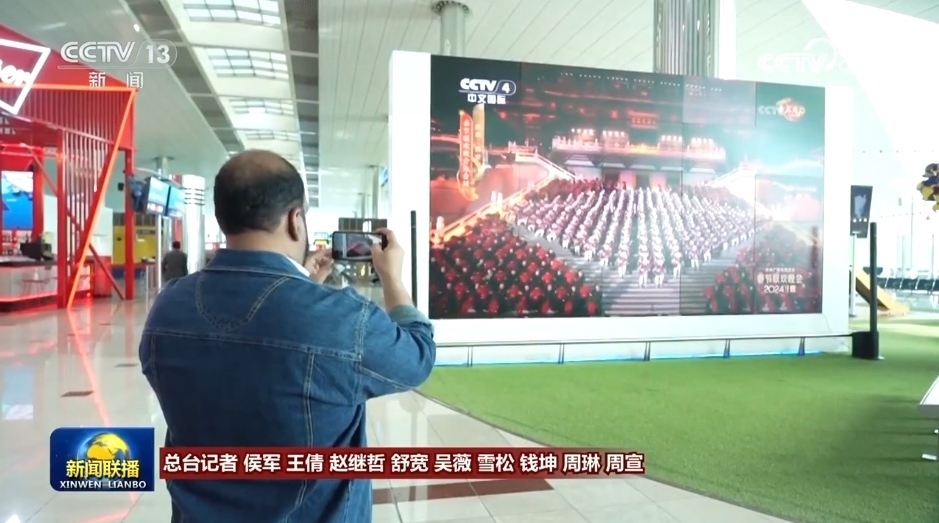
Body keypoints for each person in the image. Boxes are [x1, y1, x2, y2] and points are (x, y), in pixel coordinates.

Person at [139, 150, 436, 523]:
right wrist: (392, 277)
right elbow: (416, 356)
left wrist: (304, 285)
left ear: (222, 218)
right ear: (296, 220)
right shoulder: (342, 318)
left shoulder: (168, 308)